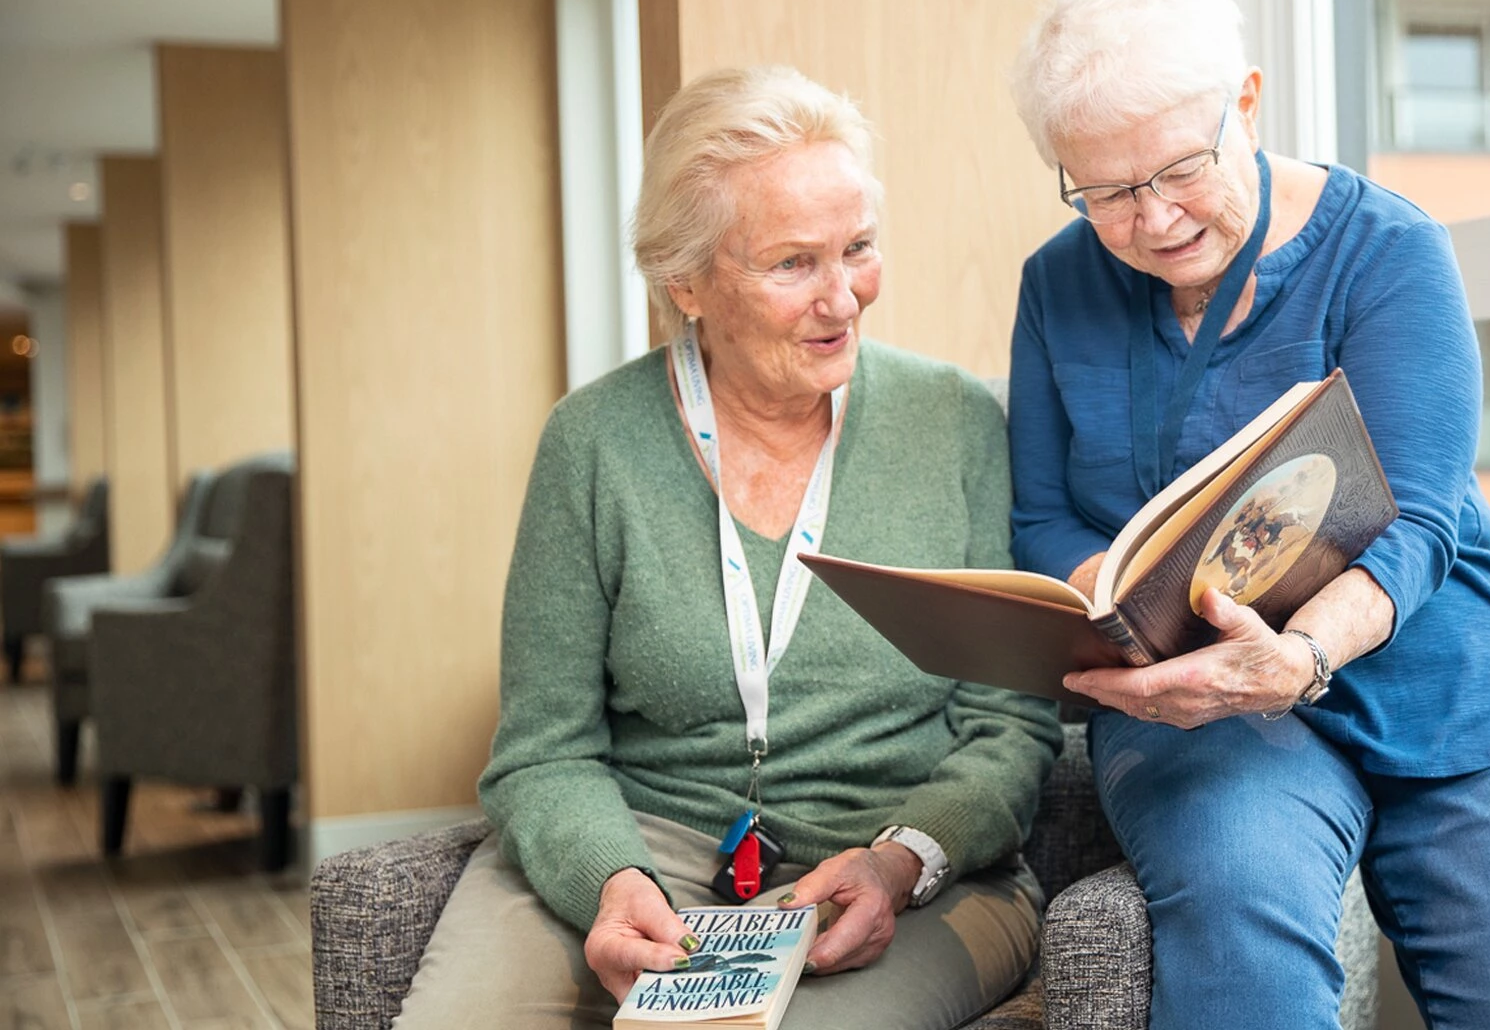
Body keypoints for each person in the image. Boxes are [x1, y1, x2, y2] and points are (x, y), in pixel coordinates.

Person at [1005, 0, 1490, 1029]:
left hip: (1436, 666)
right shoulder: (1055, 284)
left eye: (1180, 169)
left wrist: (1303, 657)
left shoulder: (1390, 250)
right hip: (1197, 701)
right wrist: (1113, 594)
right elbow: (1043, 515)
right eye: (1105, 191)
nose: (1152, 219)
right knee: (1245, 953)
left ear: (1245, 102)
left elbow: (1419, 522)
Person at [390, 65, 1062, 1030]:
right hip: (645, 845)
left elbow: (1010, 727)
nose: (843, 299)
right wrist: (611, 882)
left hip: (897, 863)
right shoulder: (593, 443)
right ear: (689, 284)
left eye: (859, 248)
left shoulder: (956, 423)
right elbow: (542, 752)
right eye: (794, 263)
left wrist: (900, 859)